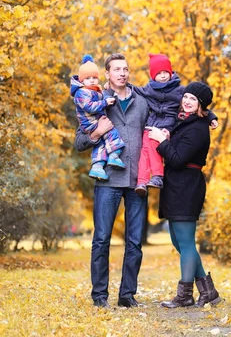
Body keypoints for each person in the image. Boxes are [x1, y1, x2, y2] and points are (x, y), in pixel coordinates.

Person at [74, 53, 149, 309]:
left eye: (126, 69)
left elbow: (165, 111)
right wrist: (98, 132)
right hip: (107, 180)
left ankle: (127, 295)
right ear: (107, 73)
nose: (122, 73)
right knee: (102, 238)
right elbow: (79, 142)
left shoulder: (142, 101)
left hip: (137, 180)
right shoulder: (94, 98)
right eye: (117, 69)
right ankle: (100, 296)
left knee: (135, 242)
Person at [148, 82, 222, 309]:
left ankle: (185, 295)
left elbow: (178, 159)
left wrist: (161, 142)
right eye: (186, 96)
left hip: (187, 187)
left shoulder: (198, 128)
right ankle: (209, 292)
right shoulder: (188, 121)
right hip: (176, 186)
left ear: (201, 105)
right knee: (179, 242)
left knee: (186, 242)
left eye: (193, 99)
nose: (187, 101)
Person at [132, 53, 218, 197]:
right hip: (152, 124)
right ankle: (142, 181)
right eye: (159, 73)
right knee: (144, 150)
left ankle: (157, 176)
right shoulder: (149, 89)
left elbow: (198, 103)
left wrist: (211, 117)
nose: (164, 76)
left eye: (166, 72)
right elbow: (134, 90)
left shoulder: (180, 90)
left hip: (168, 126)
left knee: (153, 145)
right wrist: (115, 86)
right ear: (153, 76)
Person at [70, 54, 125, 180]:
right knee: (111, 132)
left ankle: (97, 167)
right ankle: (114, 155)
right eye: (88, 78)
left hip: (95, 121)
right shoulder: (81, 92)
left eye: (94, 77)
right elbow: (89, 107)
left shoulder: (95, 90)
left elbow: (102, 97)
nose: (92, 80)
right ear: (82, 80)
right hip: (90, 122)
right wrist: (105, 103)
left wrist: (107, 97)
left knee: (100, 144)